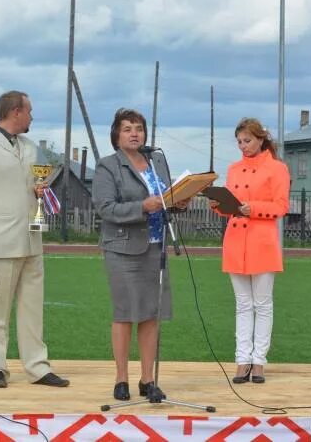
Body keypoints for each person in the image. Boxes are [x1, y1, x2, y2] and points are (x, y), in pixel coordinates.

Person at [0, 90, 69, 389]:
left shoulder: (32, 148)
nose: (33, 116)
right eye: (29, 110)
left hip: (32, 239)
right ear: (15, 112)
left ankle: (37, 367)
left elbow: (38, 184)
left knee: (33, 308)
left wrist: (39, 190)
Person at [92, 108, 185, 401]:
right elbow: (105, 209)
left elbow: (165, 198)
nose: (135, 134)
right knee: (125, 314)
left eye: (139, 129)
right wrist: (142, 207)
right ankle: (121, 380)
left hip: (156, 247)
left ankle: (148, 380)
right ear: (116, 135)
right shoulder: (107, 166)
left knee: (151, 315)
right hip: (122, 249)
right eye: (128, 128)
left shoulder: (156, 161)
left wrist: (179, 201)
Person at [209, 117, 290, 384]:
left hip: (262, 243)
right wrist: (218, 204)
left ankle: (259, 363)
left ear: (261, 139)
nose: (243, 146)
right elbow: (228, 204)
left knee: (263, 305)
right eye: (239, 142)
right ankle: (242, 360)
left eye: (248, 140)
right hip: (235, 242)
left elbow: (280, 207)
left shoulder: (277, 169)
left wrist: (252, 208)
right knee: (242, 305)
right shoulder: (233, 169)